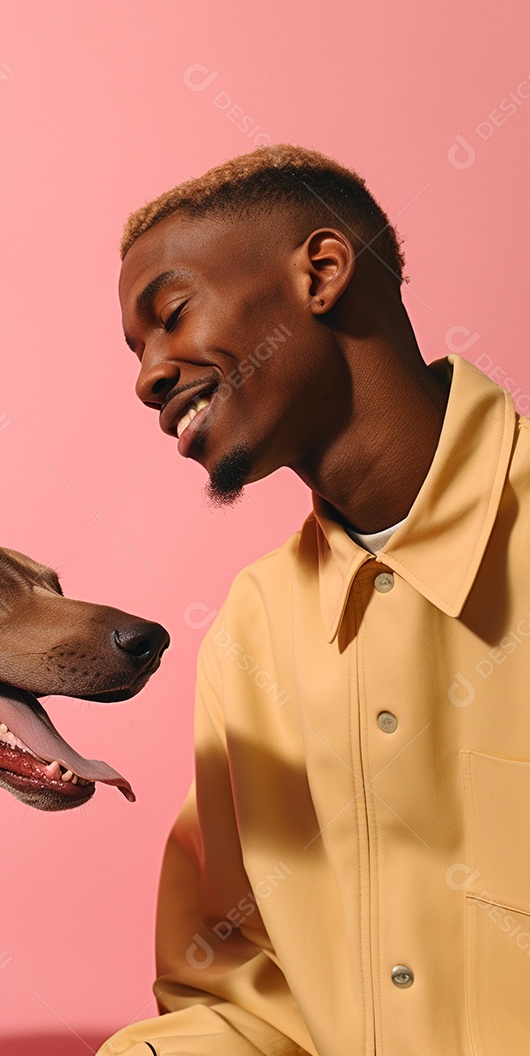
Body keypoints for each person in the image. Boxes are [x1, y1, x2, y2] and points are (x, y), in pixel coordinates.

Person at [98, 144, 530, 1055]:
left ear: (322, 273)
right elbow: (241, 993)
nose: (146, 376)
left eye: (169, 314)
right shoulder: (253, 629)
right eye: (136, 352)